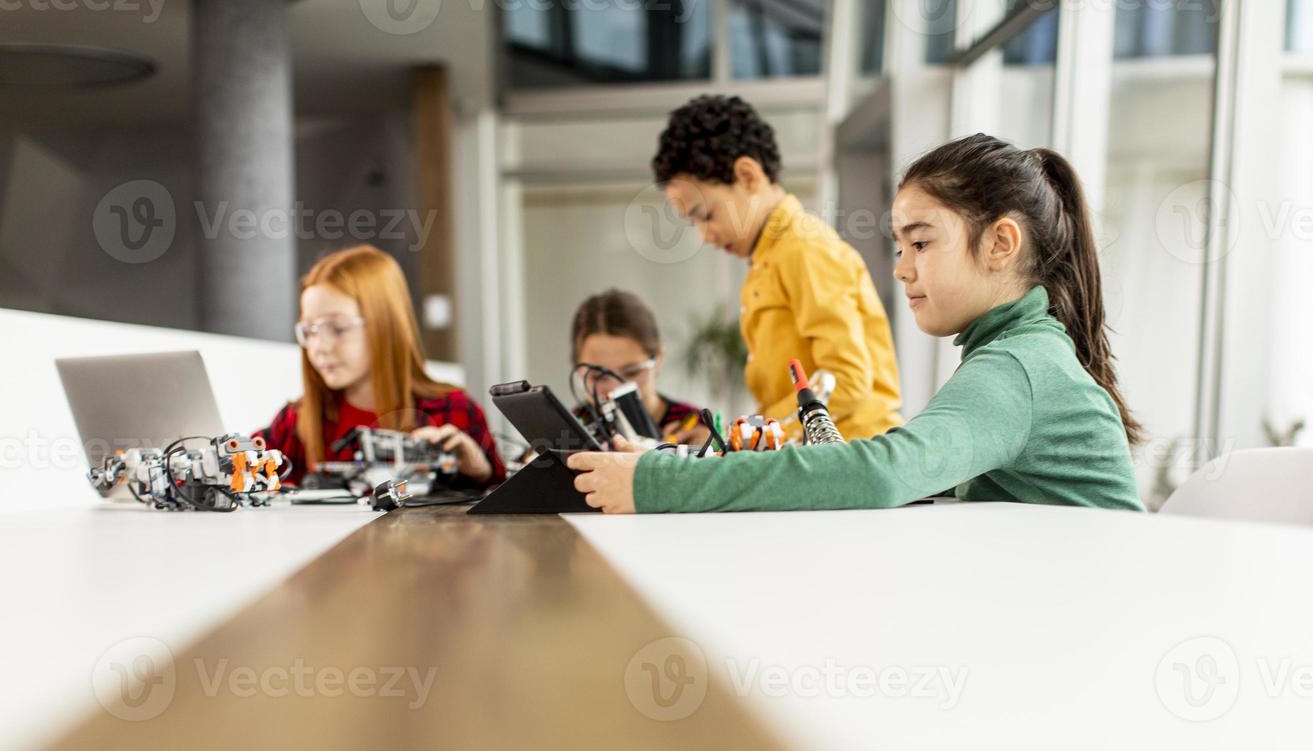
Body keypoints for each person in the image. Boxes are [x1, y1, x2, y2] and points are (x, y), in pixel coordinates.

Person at [567, 134, 1144, 515]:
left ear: (1000, 243)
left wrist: (655, 484)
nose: (900, 268)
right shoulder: (1018, 353)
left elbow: (880, 474)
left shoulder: (1018, 368)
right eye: (899, 245)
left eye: (920, 242)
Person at [652, 94, 903, 441]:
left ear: (748, 175)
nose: (705, 236)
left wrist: (749, 438)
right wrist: (730, 437)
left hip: (850, 463)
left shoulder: (803, 248)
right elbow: (787, 403)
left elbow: (845, 379)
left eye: (705, 215)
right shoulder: (769, 259)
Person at [256, 245, 505, 488]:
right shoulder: (294, 422)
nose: (318, 347)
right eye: (309, 330)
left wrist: (480, 473)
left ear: (384, 326)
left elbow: (501, 504)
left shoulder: (454, 411)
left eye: (338, 328)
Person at [569, 289, 709, 447]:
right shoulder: (570, 429)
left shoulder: (698, 427)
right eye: (598, 376)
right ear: (578, 371)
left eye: (632, 372)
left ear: (658, 360)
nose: (615, 389)